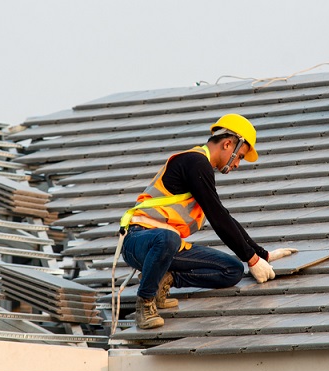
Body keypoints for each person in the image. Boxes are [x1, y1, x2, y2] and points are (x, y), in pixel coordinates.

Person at [120, 113, 297, 329]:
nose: (238, 164)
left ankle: (164, 280)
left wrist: (262, 254)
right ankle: (145, 302)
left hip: (166, 248)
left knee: (231, 270)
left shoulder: (201, 168)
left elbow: (223, 214)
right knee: (168, 238)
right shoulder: (195, 162)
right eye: (240, 156)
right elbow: (217, 218)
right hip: (139, 242)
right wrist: (251, 260)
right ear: (227, 144)